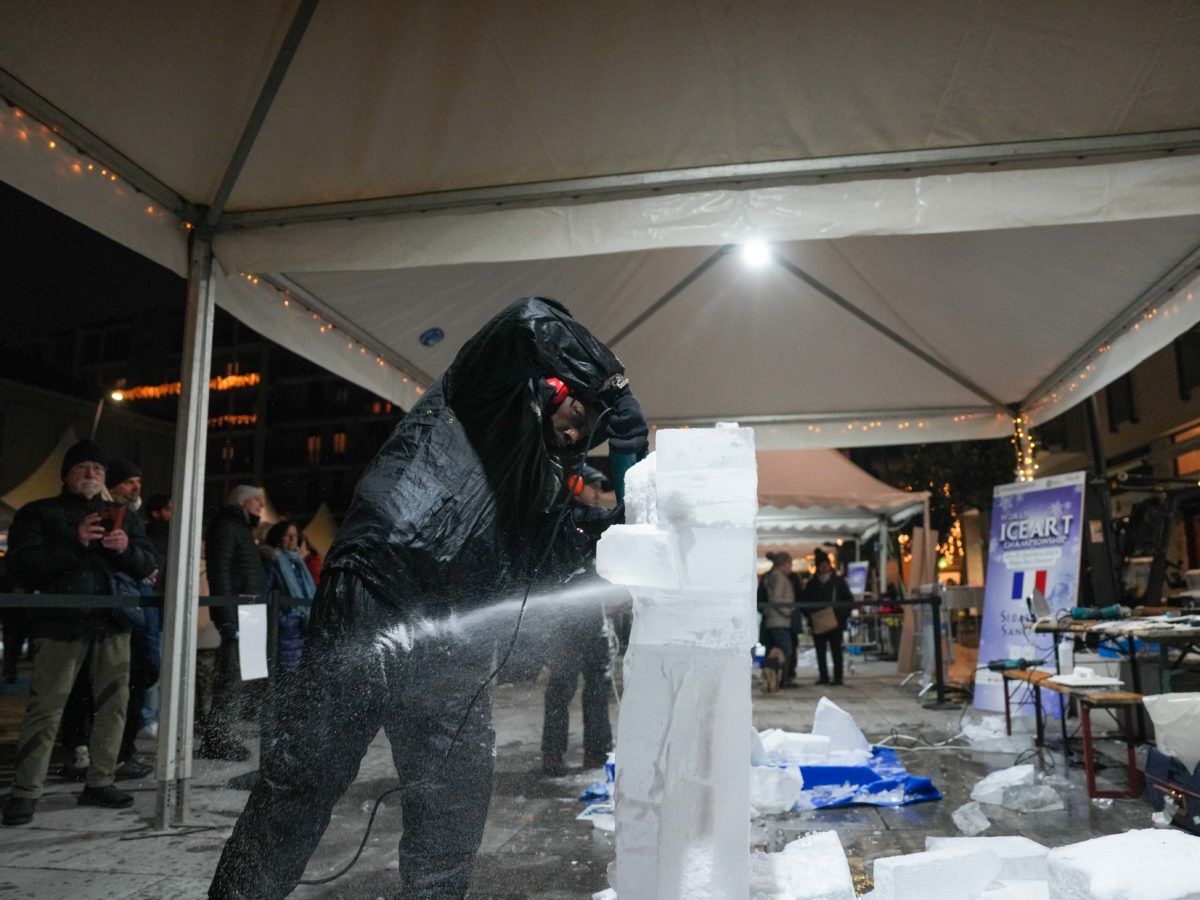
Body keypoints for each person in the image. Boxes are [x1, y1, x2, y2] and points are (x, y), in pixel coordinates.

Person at [209, 297, 647, 899]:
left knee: (454, 795)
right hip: (376, 593)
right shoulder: (491, 388)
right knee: (306, 777)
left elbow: (545, 554)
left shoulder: (541, 475)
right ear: (558, 381)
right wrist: (614, 384)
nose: (578, 432)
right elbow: (528, 319)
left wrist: (613, 526)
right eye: (580, 414)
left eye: (591, 432)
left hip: (453, 637)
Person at [1, 440, 156, 827]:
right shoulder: (40, 513)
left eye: (98, 470)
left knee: (113, 705)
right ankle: (25, 790)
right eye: (83, 468)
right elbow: (23, 567)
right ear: (67, 475)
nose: (91, 475)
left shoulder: (120, 515)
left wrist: (123, 549)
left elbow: (147, 563)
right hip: (62, 623)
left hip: (113, 622)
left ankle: (100, 779)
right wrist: (76, 542)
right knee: (46, 707)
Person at [541, 465, 616, 777]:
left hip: (588, 619)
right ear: (574, 484)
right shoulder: (570, 518)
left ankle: (589, 754)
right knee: (565, 688)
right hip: (567, 623)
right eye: (595, 487)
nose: (598, 495)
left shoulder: (580, 519)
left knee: (595, 688)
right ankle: (562, 755)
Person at [198, 485, 266, 761]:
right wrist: (226, 614)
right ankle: (219, 738)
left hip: (249, 611)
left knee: (242, 676)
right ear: (241, 502)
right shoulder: (228, 526)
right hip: (240, 612)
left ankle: (226, 733)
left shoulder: (240, 528)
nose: (261, 506)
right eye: (256, 501)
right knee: (231, 677)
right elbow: (221, 571)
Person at [260, 519, 316, 674]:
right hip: (286, 634)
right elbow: (266, 597)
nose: (293, 539)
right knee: (286, 678)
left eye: (295, 535)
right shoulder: (271, 562)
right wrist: (287, 620)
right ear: (278, 537)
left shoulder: (299, 563)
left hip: (304, 630)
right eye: (287, 535)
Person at [140, 493, 172, 736]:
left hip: (166, 605)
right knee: (154, 661)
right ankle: (149, 715)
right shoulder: (153, 537)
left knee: (164, 663)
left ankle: (158, 714)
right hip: (157, 606)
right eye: (169, 508)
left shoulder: (173, 537)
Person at [804, 549, 854, 686]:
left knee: (836, 650)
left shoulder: (838, 582)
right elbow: (805, 601)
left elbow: (849, 600)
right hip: (818, 621)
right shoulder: (812, 583)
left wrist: (841, 615)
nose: (824, 567)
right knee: (820, 651)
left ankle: (838, 677)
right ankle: (823, 675)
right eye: (821, 565)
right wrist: (811, 616)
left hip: (835, 622)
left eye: (825, 564)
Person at [759, 552, 797, 668]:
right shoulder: (779, 577)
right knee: (785, 651)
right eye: (790, 564)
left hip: (771, 619)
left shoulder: (770, 575)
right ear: (785, 564)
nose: (791, 568)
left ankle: (770, 678)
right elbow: (776, 598)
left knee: (772, 651)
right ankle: (780, 679)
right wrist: (788, 611)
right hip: (779, 620)